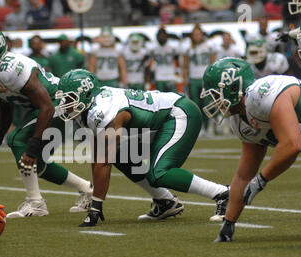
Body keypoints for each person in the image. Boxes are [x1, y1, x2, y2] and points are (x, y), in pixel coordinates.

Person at [54, 69, 231, 227]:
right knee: (122, 155)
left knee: (159, 173)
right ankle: (165, 202)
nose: (65, 104)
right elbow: (98, 155)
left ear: (85, 94)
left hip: (178, 113)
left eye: (69, 98)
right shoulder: (92, 107)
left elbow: (103, 162)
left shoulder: (103, 109)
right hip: (158, 123)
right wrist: (96, 200)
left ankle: (223, 193)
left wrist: (96, 205)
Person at [200, 57, 301, 242]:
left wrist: (261, 180)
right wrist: (229, 223)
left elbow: (291, 145)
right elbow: (243, 176)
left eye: (216, 94)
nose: (213, 100)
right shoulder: (240, 122)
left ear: (233, 88)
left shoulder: (262, 94)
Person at [0, 28, 93, 218]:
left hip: (59, 101)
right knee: (37, 163)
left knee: (17, 140)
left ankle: (36, 203)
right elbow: (5, 107)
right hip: (44, 106)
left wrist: (34, 145)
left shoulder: (12, 68)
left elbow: (46, 106)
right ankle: (87, 190)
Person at [182, 24, 216, 135]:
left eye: (199, 34)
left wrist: (212, 78)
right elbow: (185, 66)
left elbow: (213, 64)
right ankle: (200, 127)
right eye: (195, 34)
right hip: (193, 78)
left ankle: (208, 126)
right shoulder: (188, 48)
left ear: (202, 35)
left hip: (205, 79)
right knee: (195, 105)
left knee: (207, 104)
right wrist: (185, 79)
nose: (197, 36)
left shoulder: (209, 46)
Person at [146, 27, 181, 93]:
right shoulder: (153, 48)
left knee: (172, 98)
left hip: (171, 76)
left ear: (167, 36)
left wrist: (178, 72)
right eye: (160, 35)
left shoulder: (173, 46)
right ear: (156, 37)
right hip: (159, 77)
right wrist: (149, 79)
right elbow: (148, 63)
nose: (162, 37)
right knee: (160, 99)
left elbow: (177, 60)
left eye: (163, 35)